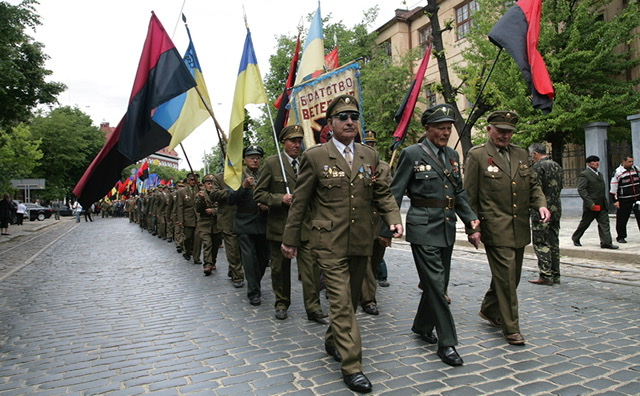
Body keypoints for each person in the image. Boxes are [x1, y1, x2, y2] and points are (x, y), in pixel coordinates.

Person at [281, 95, 403, 394]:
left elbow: (382, 193)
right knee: (341, 302)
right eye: (343, 117)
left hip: (361, 240)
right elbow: (300, 203)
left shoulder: (369, 156)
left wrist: (393, 218)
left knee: (350, 300)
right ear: (331, 124)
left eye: (354, 117)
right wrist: (290, 238)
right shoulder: (315, 157)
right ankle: (352, 365)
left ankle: (332, 340)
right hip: (329, 243)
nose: (350, 122)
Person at [381, 104, 480, 366]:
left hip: (446, 227)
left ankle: (422, 326)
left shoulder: (452, 156)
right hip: (422, 227)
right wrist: (386, 227)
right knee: (436, 286)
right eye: (440, 128)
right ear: (428, 129)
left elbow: (458, 193)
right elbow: (395, 191)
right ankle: (447, 343)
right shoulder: (412, 154)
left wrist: (471, 223)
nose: (446, 132)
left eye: (448, 128)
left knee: (439, 284)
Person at [464, 110, 550, 346]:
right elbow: (469, 195)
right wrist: (472, 228)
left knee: (512, 277)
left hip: (519, 227)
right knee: (506, 279)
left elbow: (533, 185)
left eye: (509, 132)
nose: (505, 136)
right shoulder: (478, 155)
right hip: (494, 227)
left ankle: (490, 309)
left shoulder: (521, 154)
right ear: (490, 129)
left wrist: (541, 205)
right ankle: (511, 327)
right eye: (500, 131)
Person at [254, 125, 306, 320]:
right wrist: (280, 199)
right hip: (280, 224)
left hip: (304, 224)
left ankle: (313, 306)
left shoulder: (306, 162)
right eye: (293, 141)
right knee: (280, 268)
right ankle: (282, 302)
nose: (297, 145)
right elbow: (258, 193)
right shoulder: (272, 163)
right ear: (284, 142)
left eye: (300, 141)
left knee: (309, 267)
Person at [213, 145, 270, 306]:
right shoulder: (237, 177)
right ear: (244, 160)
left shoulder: (266, 174)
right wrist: (243, 187)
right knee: (249, 260)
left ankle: (255, 282)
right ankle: (253, 292)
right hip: (245, 224)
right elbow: (231, 199)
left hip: (263, 223)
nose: (255, 160)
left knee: (263, 259)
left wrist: (268, 204)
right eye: (251, 157)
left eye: (257, 157)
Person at [360, 130, 390, 316]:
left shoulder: (385, 167)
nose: (370, 147)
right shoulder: (355, 164)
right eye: (366, 144)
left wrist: (388, 227)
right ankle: (368, 299)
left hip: (379, 220)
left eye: (372, 144)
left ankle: (359, 289)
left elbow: (389, 197)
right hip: (361, 220)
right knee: (364, 261)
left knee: (375, 260)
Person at [527, 143, 564, 285]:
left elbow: (535, 189)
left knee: (541, 241)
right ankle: (556, 273)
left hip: (541, 209)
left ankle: (546, 275)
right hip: (556, 207)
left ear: (535, 153)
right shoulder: (557, 165)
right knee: (554, 240)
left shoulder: (537, 167)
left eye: (532, 155)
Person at [572, 155, 618, 249]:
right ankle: (576, 237)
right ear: (589, 163)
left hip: (602, 204)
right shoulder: (585, 174)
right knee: (585, 222)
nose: (597, 163)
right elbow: (581, 189)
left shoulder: (599, 174)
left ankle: (606, 242)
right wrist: (590, 202)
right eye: (594, 161)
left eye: (597, 161)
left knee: (604, 223)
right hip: (592, 205)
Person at [212, 172, 245, 288]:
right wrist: (233, 190)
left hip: (245, 217)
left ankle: (233, 269)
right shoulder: (219, 177)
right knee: (232, 249)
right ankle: (238, 276)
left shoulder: (245, 174)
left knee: (241, 250)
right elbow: (214, 195)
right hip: (227, 219)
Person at [195, 174, 223, 276]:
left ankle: (213, 261)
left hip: (216, 224)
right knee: (207, 244)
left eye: (212, 183)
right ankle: (207, 264)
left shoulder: (219, 194)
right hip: (204, 224)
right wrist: (201, 200)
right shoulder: (200, 194)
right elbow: (198, 208)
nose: (210, 186)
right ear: (204, 185)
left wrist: (213, 210)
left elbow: (223, 208)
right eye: (208, 183)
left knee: (215, 245)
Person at [609, 155, 640, 243]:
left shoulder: (636, 169)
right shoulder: (618, 172)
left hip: (637, 197)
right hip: (624, 199)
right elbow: (613, 188)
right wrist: (615, 200)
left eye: (632, 161)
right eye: (629, 162)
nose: (631, 163)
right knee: (622, 219)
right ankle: (621, 236)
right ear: (624, 161)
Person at [176, 173, 200, 262]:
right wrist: (180, 220)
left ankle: (196, 257)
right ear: (188, 180)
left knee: (197, 238)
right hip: (187, 218)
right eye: (192, 180)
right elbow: (180, 207)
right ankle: (187, 251)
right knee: (188, 237)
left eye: (195, 180)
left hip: (198, 217)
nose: (194, 181)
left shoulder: (200, 190)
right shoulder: (181, 192)